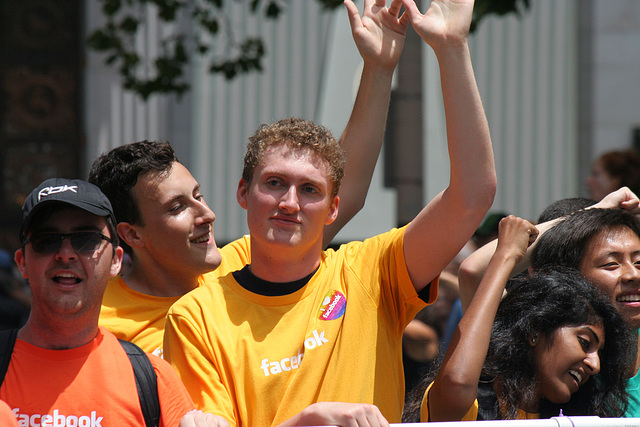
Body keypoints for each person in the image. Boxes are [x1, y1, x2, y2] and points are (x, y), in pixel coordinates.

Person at [164, 0, 497, 423]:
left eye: (309, 190)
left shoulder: (372, 273)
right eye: (273, 183)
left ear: (334, 208)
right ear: (243, 192)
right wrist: (308, 422)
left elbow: (471, 197)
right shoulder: (196, 313)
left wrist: (452, 49)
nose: (289, 203)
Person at [89, 0, 418, 357]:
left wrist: (379, 68)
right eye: (177, 207)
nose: (207, 215)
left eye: (198, 195)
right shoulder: (98, 326)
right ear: (132, 234)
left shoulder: (248, 263)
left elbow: (344, 188)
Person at [0, 178, 219, 427]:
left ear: (116, 261)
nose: (66, 253)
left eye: (87, 239)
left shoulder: (153, 381)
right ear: (22, 262)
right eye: (46, 240)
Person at [403, 230, 634, 422]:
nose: (595, 365)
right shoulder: (472, 405)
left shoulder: (582, 418)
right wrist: (506, 255)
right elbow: (457, 383)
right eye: (584, 342)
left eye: (599, 353)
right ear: (534, 331)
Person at [457, 187, 640, 417]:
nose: (633, 274)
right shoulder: (541, 346)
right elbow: (474, 272)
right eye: (611, 264)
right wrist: (593, 215)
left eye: (639, 261)